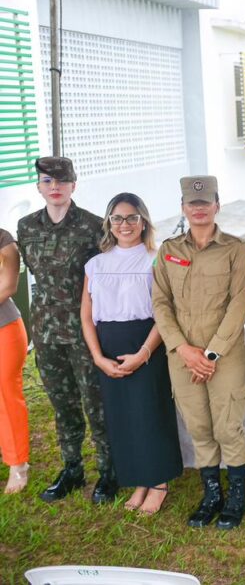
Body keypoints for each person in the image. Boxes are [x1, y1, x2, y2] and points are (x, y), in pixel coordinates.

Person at [152, 176, 245, 530]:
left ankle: (237, 496)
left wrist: (209, 356)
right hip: (182, 355)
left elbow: (240, 305)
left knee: (228, 426)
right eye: (192, 203)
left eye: (205, 202)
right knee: (199, 426)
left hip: (224, 356)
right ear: (183, 207)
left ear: (217, 206)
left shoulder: (236, 249)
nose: (198, 208)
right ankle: (212, 494)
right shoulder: (168, 251)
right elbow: (161, 304)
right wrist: (183, 348)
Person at [17, 157, 114, 503]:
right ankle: (72, 468)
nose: (54, 187)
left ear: (74, 184)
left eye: (61, 181)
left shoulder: (93, 226)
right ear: (39, 187)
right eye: (47, 181)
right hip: (45, 332)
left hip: (85, 332)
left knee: (96, 404)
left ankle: (108, 471)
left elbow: (105, 276)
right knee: (62, 404)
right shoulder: (27, 226)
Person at [81, 193, 182, 515]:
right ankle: (140, 479)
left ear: (144, 222)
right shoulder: (95, 264)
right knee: (123, 416)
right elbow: (86, 314)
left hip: (146, 341)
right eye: (117, 218)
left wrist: (143, 353)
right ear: (109, 223)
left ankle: (159, 483)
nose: (124, 225)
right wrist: (97, 356)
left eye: (131, 218)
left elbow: (164, 313)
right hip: (107, 344)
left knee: (149, 413)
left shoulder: (155, 258)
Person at [0, 227, 29, 493]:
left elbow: (8, 285)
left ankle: (17, 463)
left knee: (6, 395)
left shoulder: (3, 238)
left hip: (3, 328)